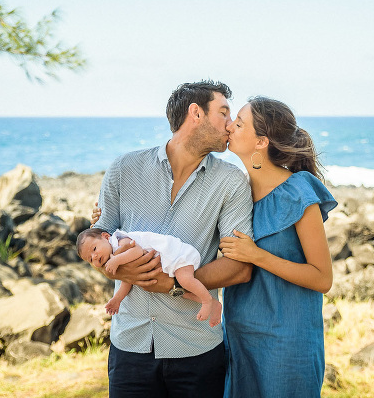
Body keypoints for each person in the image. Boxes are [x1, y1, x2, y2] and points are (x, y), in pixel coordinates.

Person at [90, 80, 253, 398]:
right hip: (130, 346)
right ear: (196, 113)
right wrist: (115, 267)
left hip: (198, 349)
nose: (230, 125)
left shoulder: (231, 182)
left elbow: (240, 267)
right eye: (222, 113)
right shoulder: (125, 169)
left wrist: (173, 285)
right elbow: (98, 244)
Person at [219, 96, 337, 398]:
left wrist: (256, 256)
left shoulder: (298, 191)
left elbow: (322, 278)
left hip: (288, 343)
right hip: (238, 335)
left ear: (261, 142)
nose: (230, 126)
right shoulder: (235, 192)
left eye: (239, 123)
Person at [77, 225, 222, 326]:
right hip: (169, 265)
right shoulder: (115, 257)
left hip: (178, 254)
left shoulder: (120, 240)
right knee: (182, 292)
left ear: (105, 236)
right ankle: (215, 305)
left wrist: (116, 260)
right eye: (90, 259)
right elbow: (128, 280)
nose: (95, 256)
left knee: (185, 280)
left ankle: (206, 300)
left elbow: (137, 252)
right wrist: (117, 299)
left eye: (94, 249)